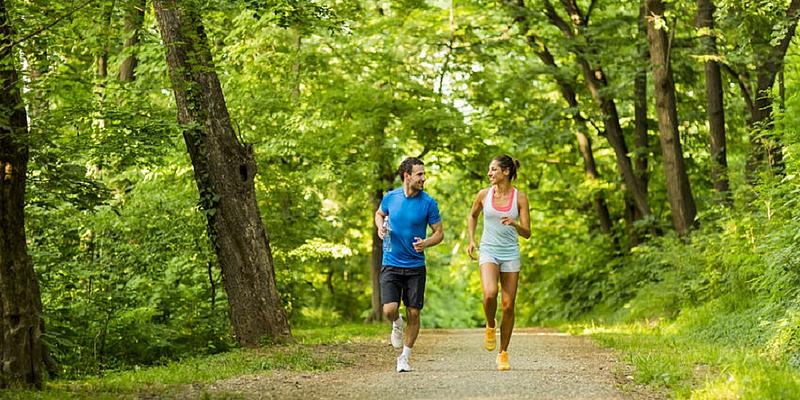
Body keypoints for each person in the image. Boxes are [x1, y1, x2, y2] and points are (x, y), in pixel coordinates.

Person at [375, 157, 444, 373]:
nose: (424, 178)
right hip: (391, 262)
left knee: (414, 312)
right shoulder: (390, 197)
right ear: (407, 176)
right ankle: (396, 322)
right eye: (419, 174)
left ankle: (404, 357)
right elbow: (379, 214)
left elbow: (439, 233)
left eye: (424, 174)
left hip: (415, 266)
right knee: (389, 310)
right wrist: (380, 228)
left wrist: (426, 243)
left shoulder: (428, 203)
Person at [466, 155, 531, 371]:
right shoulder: (484, 195)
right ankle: (490, 325)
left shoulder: (520, 198)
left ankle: (503, 353)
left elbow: (528, 233)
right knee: (489, 293)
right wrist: (472, 240)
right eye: (489, 170)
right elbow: (473, 215)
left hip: (511, 253)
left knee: (509, 305)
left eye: (493, 169)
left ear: (506, 172)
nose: (489, 173)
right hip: (489, 251)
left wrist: (514, 224)